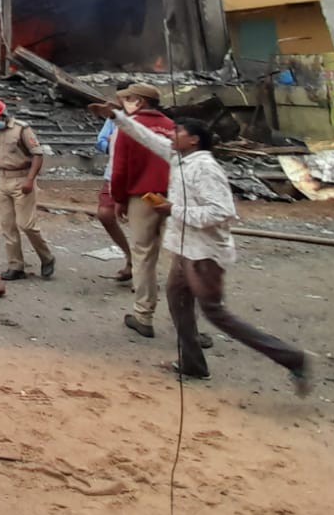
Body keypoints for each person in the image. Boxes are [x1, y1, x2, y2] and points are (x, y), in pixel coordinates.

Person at [90, 104, 312, 394]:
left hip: (205, 255)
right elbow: (146, 137)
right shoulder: (180, 159)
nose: (171, 135)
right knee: (178, 302)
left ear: (194, 139)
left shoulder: (206, 169)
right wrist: (115, 117)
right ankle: (193, 363)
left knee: (215, 313)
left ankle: (292, 358)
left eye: (178, 132)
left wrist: (174, 209)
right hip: (184, 251)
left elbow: (221, 213)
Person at [109, 82, 175, 337]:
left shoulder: (129, 128)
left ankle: (143, 315)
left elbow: (120, 168)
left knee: (143, 255)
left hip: (142, 198)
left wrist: (119, 199)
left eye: (130, 98)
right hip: (173, 197)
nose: (126, 102)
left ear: (141, 102)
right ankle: (186, 323)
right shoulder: (173, 127)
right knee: (177, 259)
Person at [0, 97, 55, 280]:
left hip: (21, 178)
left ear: (3, 115)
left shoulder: (22, 129)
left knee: (26, 224)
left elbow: (37, 155)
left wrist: (30, 180)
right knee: (8, 225)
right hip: (2, 179)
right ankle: (16, 266)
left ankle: (47, 257)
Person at [95, 115, 133, 282]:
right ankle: (130, 256)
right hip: (114, 175)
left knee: (143, 223)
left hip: (139, 177)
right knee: (105, 214)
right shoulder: (114, 119)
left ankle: (143, 272)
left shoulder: (151, 121)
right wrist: (115, 147)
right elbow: (101, 141)